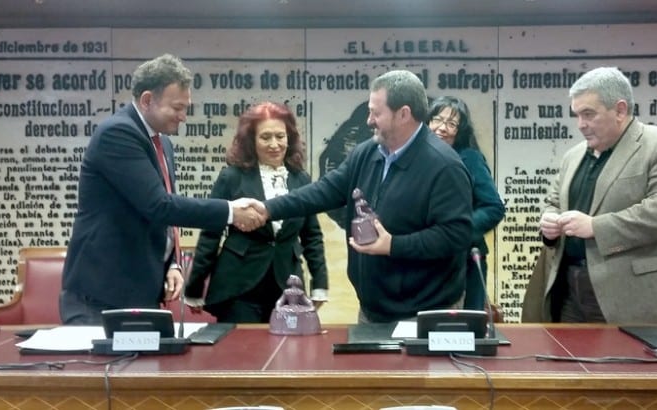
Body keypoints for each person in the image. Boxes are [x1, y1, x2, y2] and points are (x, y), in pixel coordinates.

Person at [253, 70, 474, 323]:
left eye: (376, 113)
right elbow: (325, 190)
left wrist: (393, 245)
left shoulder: (445, 167)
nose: (369, 120)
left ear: (403, 114)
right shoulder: (366, 153)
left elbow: (456, 235)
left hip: (424, 315)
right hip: (372, 311)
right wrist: (267, 209)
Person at [59, 54, 264, 325]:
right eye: (177, 107)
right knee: (105, 369)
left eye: (186, 107)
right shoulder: (117, 133)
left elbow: (164, 214)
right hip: (101, 297)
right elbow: (159, 205)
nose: (184, 117)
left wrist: (173, 264)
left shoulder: (162, 142)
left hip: (141, 292)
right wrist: (230, 211)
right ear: (147, 100)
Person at [533, 66, 657, 324]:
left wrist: (596, 227)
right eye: (577, 115)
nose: (581, 125)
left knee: (628, 365)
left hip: (635, 299)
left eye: (589, 114)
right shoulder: (573, 155)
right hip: (568, 294)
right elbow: (554, 201)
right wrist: (549, 221)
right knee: (569, 364)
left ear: (620, 110)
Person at [183, 101, 328, 323]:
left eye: (280, 136)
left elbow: (312, 236)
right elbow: (211, 235)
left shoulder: (301, 179)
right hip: (238, 287)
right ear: (251, 141)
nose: (274, 144)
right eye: (265, 137)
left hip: (287, 287)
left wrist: (320, 284)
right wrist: (194, 288)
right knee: (242, 355)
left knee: (287, 354)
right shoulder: (231, 177)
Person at [427, 96, 505, 311]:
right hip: (425, 263)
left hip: (464, 262)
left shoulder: (469, 158)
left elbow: (493, 207)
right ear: (426, 122)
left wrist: (456, 232)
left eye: (451, 124)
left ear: (459, 131)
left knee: (465, 332)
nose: (442, 128)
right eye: (437, 119)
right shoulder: (416, 159)